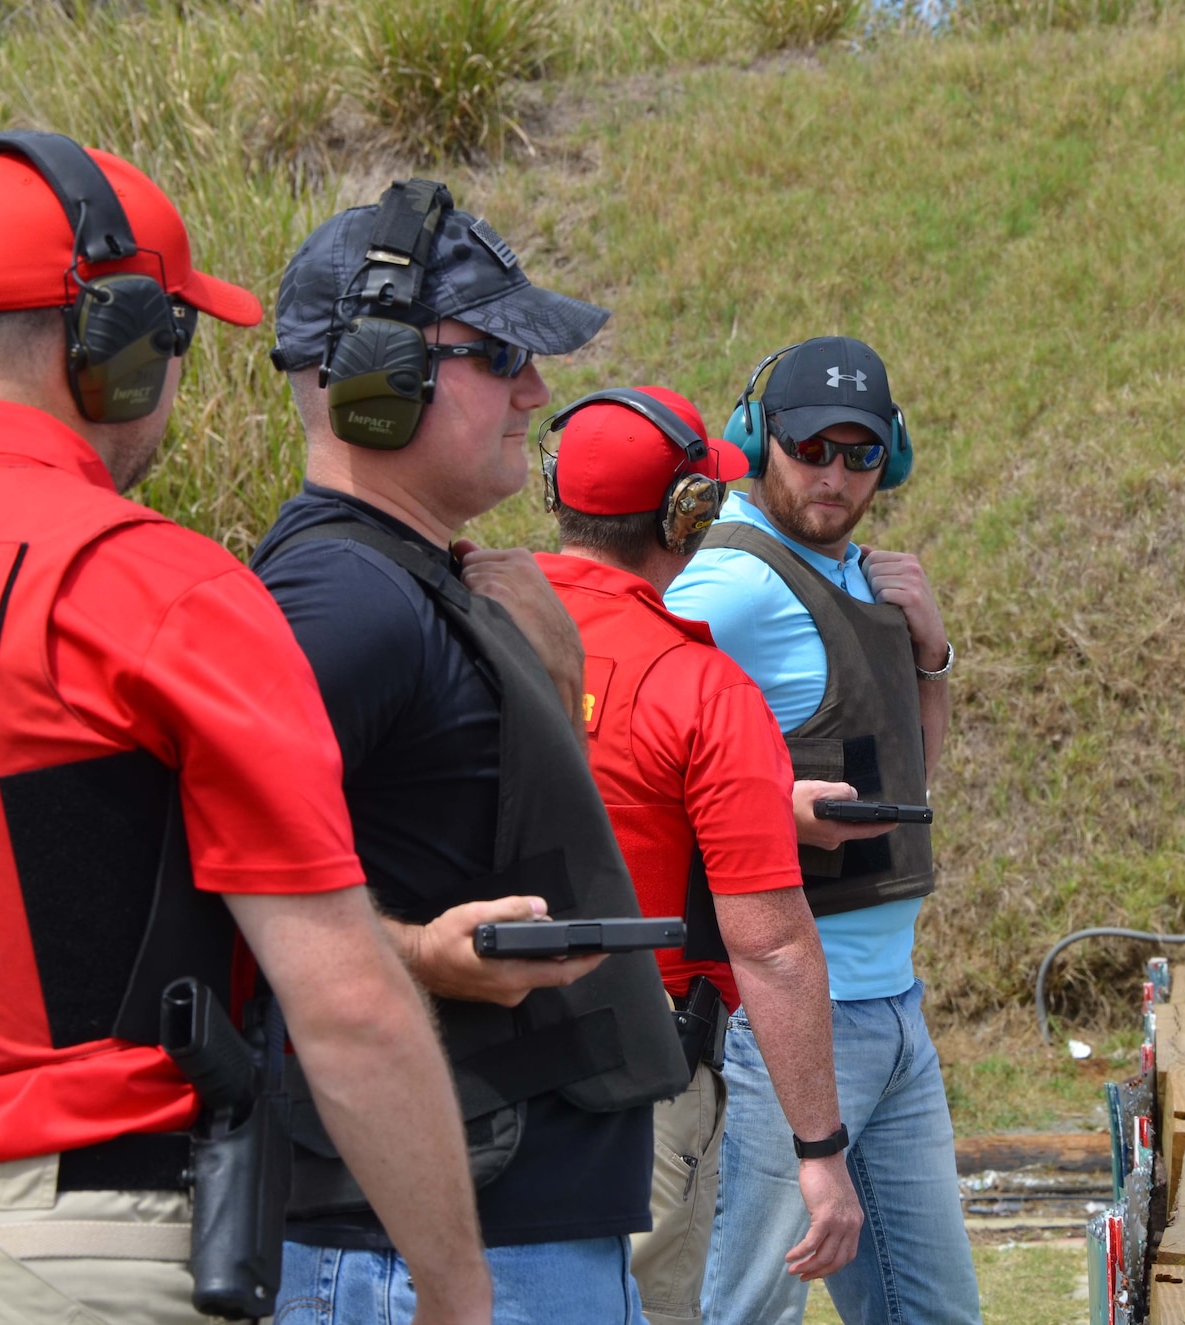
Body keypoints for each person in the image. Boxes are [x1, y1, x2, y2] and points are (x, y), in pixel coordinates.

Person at [0, 133, 489, 1325]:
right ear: (117, 348)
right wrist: (457, 1295)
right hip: (72, 1251)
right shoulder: (149, 589)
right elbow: (344, 999)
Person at [253, 181, 690, 1325]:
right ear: (378, 375)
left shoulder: (425, 582)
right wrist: (410, 957)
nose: (535, 391)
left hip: (508, 1225)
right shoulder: (342, 600)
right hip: (425, 1254)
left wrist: (553, 686)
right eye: (499, 354)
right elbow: (185, 884)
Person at [532, 386, 866, 1324]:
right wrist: (821, 1151)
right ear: (688, 514)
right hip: (636, 1088)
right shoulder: (700, 686)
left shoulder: (460, 627)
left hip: (454, 1077)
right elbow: (771, 946)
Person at [667, 337, 980, 1324]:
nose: (834, 477)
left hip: (890, 1007)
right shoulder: (735, 581)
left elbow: (909, 777)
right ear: (759, 440)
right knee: (741, 1312)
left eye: (858, 455)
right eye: (810, 450)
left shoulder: (858, 574)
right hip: (789, 1018)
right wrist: (763, 809)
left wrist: (929, 655)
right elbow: (612, 724)